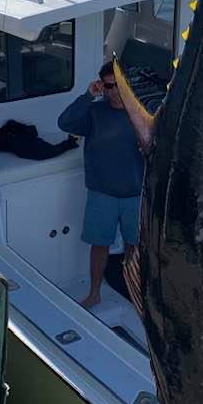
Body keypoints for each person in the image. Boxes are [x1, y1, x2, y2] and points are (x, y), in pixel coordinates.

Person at [58, 61, 144, 308]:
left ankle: (135, 291)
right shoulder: (94, 113)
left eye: (119, 85)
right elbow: (64, 122)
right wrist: (87, 96)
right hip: (101, 195)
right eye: (109, 85)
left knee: (134, 248)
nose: (115, 90)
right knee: (100, 246)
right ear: (102, 87)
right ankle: (94, 292)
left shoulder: (141, 114)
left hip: (135, 196)